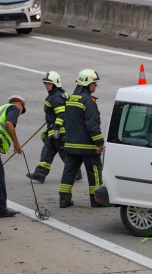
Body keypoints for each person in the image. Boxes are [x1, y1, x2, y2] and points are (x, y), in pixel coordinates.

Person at [59, 69, 106, 208]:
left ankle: (64, 199)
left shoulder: (71, 99)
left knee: (69, 171)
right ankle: (97, 200)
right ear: (86, 83)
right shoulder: (88, 101)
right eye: (94, 83)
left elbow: (66, 121)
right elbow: (92, 124)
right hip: (87, 147)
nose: (96, 86)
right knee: (95, 172)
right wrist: (100, 142)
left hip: (71, 145)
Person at [26, 71, 82, 183]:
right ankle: (40, 174)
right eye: (45, 83)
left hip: (60, 132)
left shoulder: (55, 97)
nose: (47, 86)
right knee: (47, 152)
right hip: (54, 130)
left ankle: (76, 173)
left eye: (49, 83)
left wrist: (56, 129)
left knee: (65, 155)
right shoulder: (59, 94)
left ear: (55, 83)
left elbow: (61, 114)